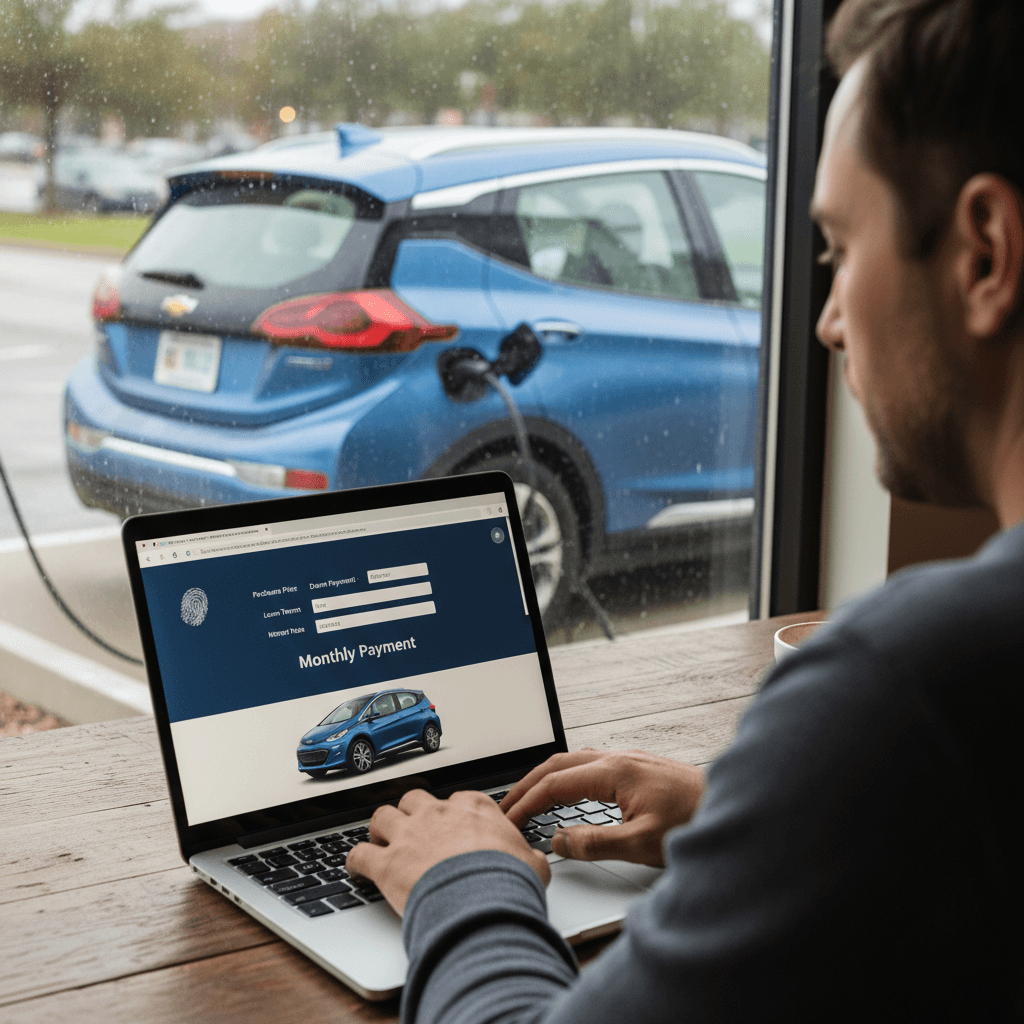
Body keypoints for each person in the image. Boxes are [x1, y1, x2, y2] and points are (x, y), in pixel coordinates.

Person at [347, 0, 1024, 1018]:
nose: (829, 323)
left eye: (838, 250)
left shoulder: (912, 687)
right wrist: (774, 823)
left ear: (983, 253)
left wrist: (464, 880)